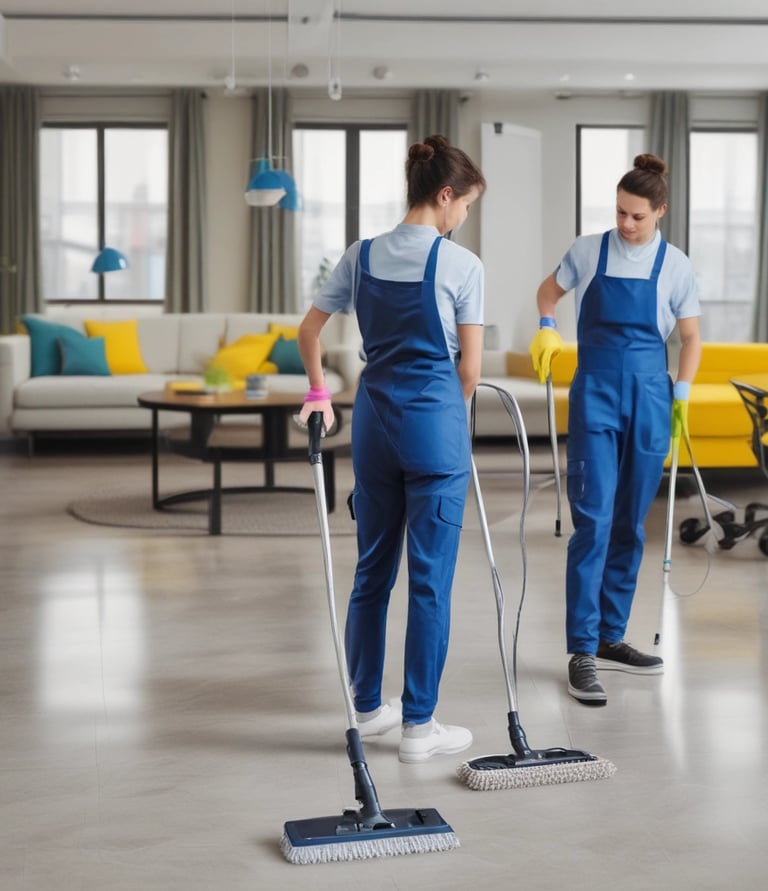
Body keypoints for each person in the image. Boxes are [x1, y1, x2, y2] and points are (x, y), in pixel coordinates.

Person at [297, 134, 486, 762]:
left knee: (371, 571)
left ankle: (369, 708)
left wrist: (320, 394)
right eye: (465, 207)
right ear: (445, 195)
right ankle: (418, 729)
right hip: (433, 423)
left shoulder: (361, 253)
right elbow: (468, 373)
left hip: (373, 422)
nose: (464, 219)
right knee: (429, 580)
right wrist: (452, 432)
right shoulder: (462, 266)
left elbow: (310, 330)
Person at [529, 153, 702, 706]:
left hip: (652, 394)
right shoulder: (588, 250)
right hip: (596, 393)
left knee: (630, 524)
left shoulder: (676, 264)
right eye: (621, 213)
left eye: (637, 217)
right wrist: (548, 328)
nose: (626, 225)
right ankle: (581, 648)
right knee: (594, 522)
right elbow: (547, 292)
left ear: (660, 212)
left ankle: (610, 636)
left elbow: (691, 338)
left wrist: (680, 392)